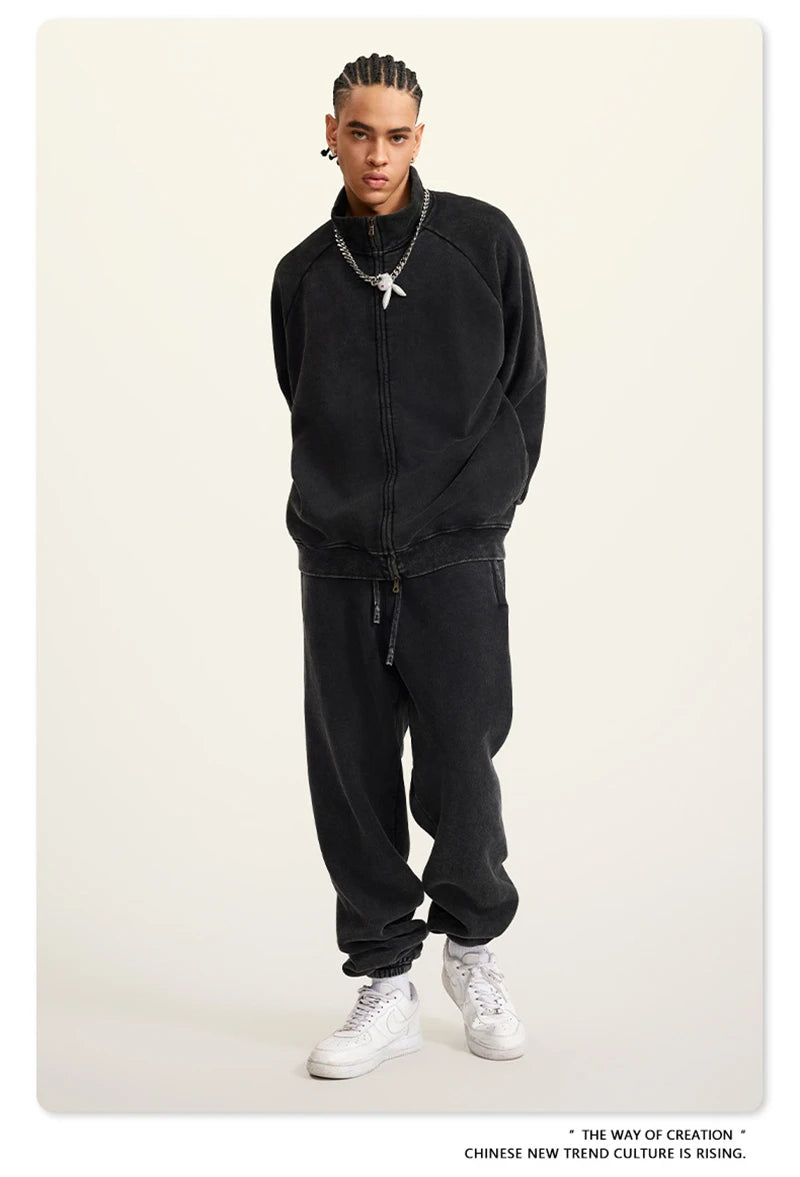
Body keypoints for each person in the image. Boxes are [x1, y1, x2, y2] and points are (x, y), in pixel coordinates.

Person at [270, 52, 547, 1080]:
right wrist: (330, 515)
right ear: (331, 135)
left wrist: (481, 510)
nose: (377, 154)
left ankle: (472, 953)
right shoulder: (302, 274)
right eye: (359, 133)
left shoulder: (480, 241)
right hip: (339, 563)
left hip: (453, 555)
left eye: (395, 135)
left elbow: (525, 383)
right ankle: (385, 980)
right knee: (350, 776)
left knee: (462, 769)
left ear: (418, 138)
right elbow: (298, 396)